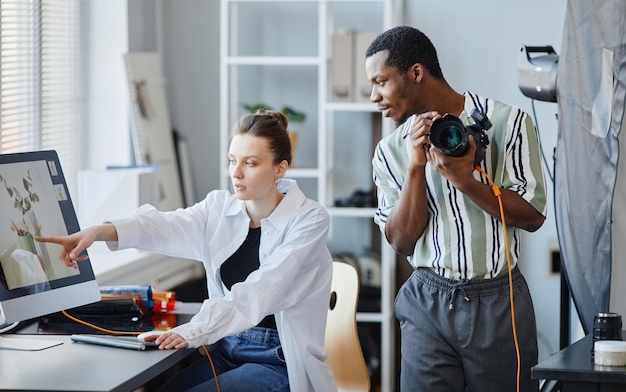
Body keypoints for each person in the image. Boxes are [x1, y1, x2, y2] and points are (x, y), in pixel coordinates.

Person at [37, 110, 339, 392]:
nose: (236, 173)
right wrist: (99, 231)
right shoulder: (219, 207)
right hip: (226, 347)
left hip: (280, 360)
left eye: (250, 163)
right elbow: (164, 225)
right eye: (232, 160)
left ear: (280, 169)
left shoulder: (309, 220)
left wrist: (194, 330)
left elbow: (262, 290)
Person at [365, 26, 547, 392]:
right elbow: (401, 241)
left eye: (380, 82)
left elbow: (532, 216)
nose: (374, 97)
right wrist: (415, 168)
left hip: (499, 302)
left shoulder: (508, 123)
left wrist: (466, 181)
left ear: (415, 73)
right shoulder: (389, 152)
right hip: (426, 301)